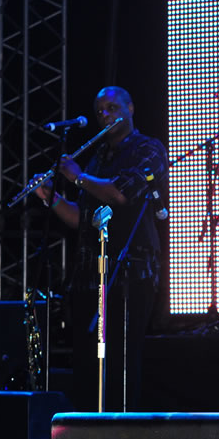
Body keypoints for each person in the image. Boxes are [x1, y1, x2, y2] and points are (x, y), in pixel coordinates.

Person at [34, 86, 167, 411]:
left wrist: (78, 177)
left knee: (123, 360)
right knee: (88, 364)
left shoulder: (148, 149)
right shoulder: (97, 157)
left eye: (111, 107)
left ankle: (125, 437)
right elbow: (82, 218)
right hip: (91, 275)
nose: (105, 115)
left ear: (131, 107)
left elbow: (120, 194)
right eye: (100, 112)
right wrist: (49, 197)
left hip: (132, 273)